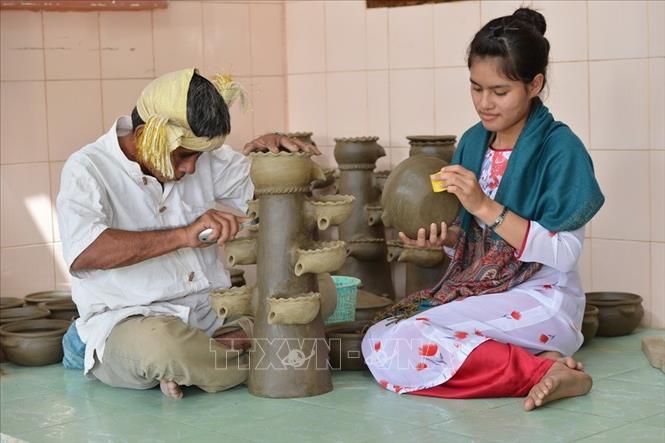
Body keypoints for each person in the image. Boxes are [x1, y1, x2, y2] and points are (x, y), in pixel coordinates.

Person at [361, 8, 604, 411]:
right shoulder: (474, 143)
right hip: (487, 294)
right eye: (476, 88)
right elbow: (478, 248)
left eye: (499, 91)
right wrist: (448, 238)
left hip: (543, 300)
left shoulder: (561, 150)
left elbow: (563, 254)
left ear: (534, 84)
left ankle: (543, 371)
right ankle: (542, 365)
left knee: (411, 338)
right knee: (380, 337)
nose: (484, 104)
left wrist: (484, 206)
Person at [57, 68, 318, 399]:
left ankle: (205, 361)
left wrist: (272, 155)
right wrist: (184, 235)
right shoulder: (88, 169)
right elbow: (86, 253)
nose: (191, 168)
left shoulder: (206, 159)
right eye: (182, 156)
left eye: (199, 156)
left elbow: (269, 187)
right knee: (162, 348)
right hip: (133, 322)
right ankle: (243, 356)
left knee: (315, 290)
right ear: (144, 135)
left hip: (213, 317)